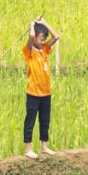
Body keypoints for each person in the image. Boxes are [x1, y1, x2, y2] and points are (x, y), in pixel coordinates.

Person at [21, 18, 59, 157]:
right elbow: (31, 36)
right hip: (33, 93)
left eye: (44, 39)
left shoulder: (44, 50)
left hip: (46, 92)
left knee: (45, 120)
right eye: (41, 39)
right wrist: (32, 24)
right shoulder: (29, 51)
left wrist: (44, 23)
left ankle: (44, 146)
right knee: (30, 120)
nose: (43, 42)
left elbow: (56, 36)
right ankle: (28, 149)